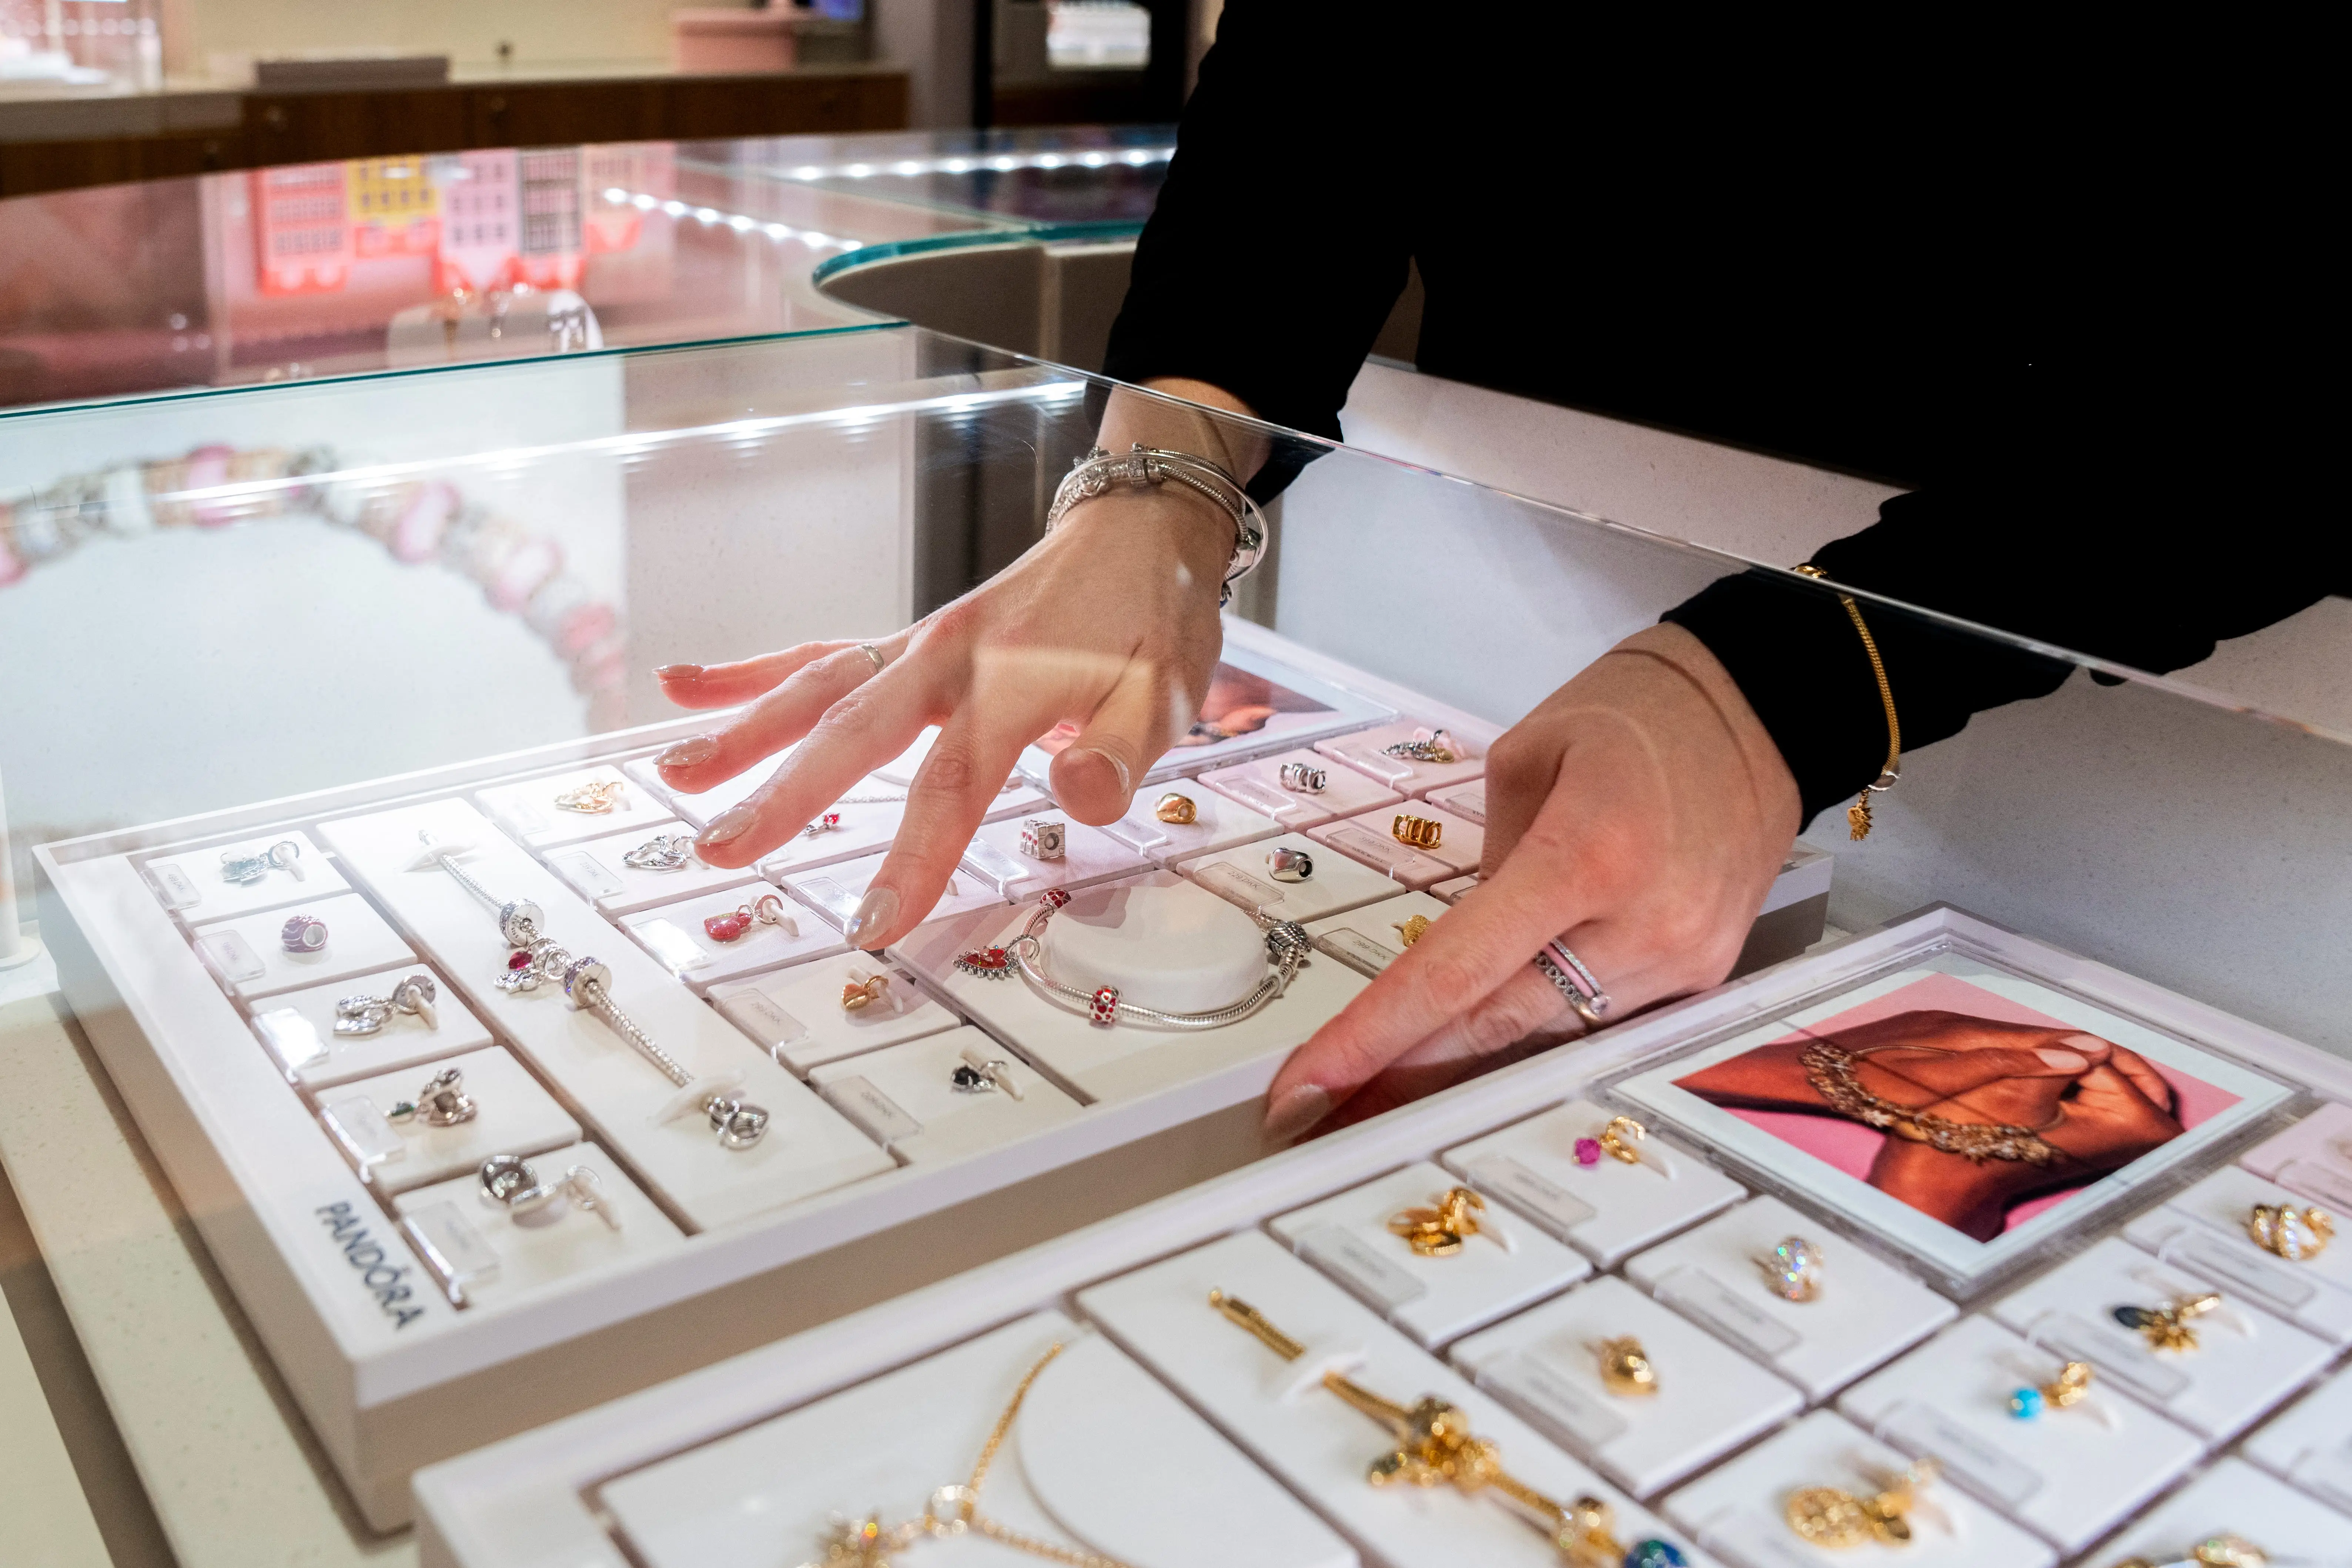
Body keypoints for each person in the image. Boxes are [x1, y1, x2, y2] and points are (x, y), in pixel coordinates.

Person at [653, 7, 2341, 1144]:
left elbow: (2268, 379)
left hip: (2146, 694)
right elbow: (1324, 86)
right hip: (1496, 584)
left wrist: (1783, 686)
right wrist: (1152, 490)